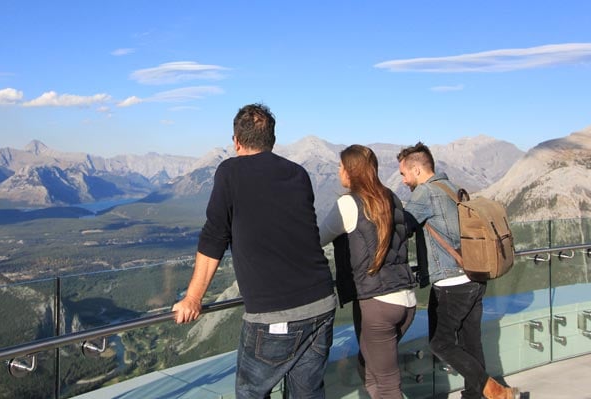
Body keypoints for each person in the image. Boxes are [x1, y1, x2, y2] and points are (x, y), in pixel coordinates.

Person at [172, 103, 337, 399]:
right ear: (272, 141)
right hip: (322, 303)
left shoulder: (229, 172)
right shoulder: (298, 173)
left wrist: (193, 298)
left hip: (274, 315)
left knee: (251, 393)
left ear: (236, 141)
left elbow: (214, 237)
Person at [396, 142, 519, 399]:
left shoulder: (425, 193)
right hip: (475, 278)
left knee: (440, 343)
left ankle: (495, 391)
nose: (404, 180)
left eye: (404, 174)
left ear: (417, 170)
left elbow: (402, 227)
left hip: (450, 283)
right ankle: (477, 395)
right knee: (471, 343)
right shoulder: (451, 188)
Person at [318, 144, 416, 399]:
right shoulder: (390, 196)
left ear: (350, 171)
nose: (338, 172)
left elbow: (317, 238)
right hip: (405, 299)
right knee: (371, 372)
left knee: (386, 386)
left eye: (340, 167)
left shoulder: (349, 204)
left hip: (377, 304)